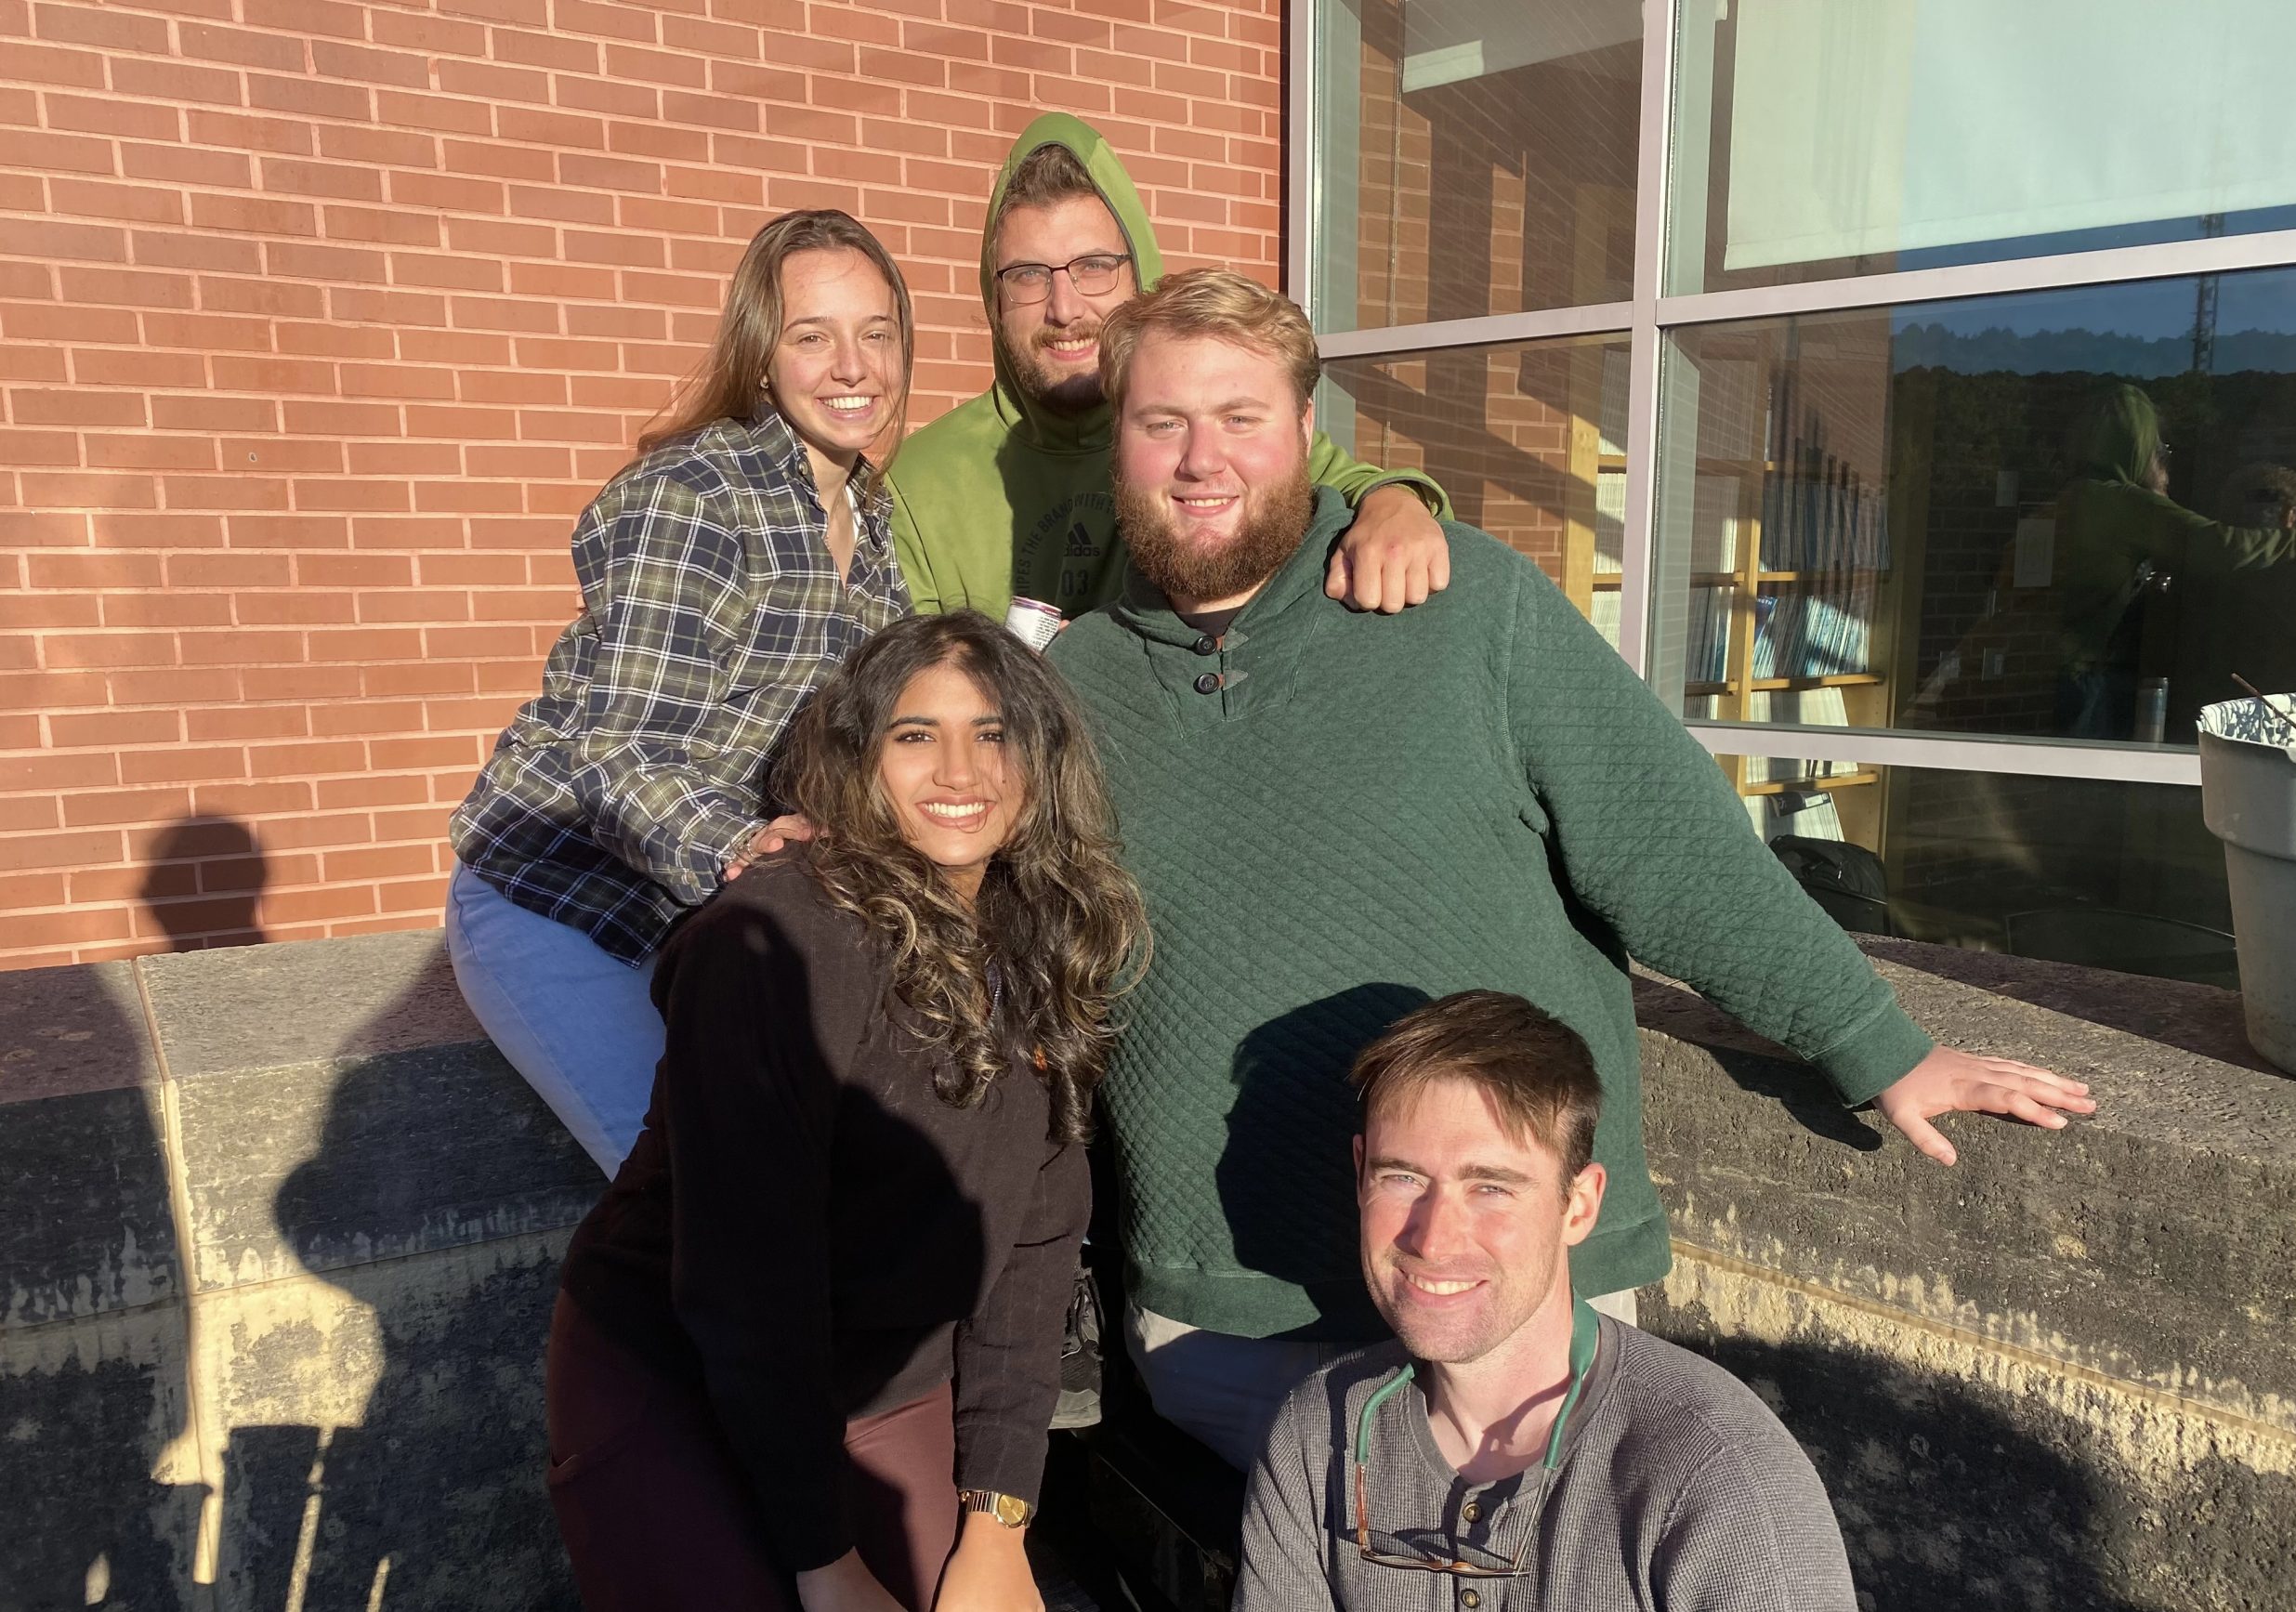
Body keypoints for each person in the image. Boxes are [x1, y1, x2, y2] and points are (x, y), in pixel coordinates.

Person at [1046, 268, 2095, 1471]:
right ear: (1115, 443)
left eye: (1242, 418)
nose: (1202, 459)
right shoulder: (1076, 685)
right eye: (1161, 422)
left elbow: (1671, 844)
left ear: (1306, 436)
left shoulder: (1463, 603)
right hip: (1225, 1319)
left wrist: (1879, 1041)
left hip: (1515, 1298)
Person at [542, 610, 1148, 1612]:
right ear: (858, 759)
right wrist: (826, 1562)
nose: (960, 770)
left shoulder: (1042, 934)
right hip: (688, 1371)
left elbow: (1035, 1246)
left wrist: (998, 1525)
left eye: (992, 733)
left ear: (1041, 762)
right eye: (915, 735)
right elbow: (747, 1284)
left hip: (888, 1380)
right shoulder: (784, 935)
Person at [446, 210, 913, 1174]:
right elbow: (618, 750)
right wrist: (743, 843)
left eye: (876, 332)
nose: (853, 366)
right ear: (759, 353)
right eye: (812, 335)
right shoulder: (696, 495)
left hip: (711, 910)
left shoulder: (868, 520)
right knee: (699, 1195)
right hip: (564, 898)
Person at [1236, 991, 1857, 1610]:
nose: (1433, 1238)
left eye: (1491, 1187)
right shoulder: (1318, 1433)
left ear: (1578, 1205)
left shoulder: (1720, 1479)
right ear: (1359, 1172)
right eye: (1403, 1177)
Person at [885, 111, 1452, 622]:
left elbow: (1346, 481)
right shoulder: (916, 486)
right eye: (1028, 275)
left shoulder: (1206, 434)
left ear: (1141, 275)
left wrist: (1395, 504)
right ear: (993, 299)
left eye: (1094, 265)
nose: (1064, 307)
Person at [2052, 384, 2296, 740]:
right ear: (2135, 447)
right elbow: (2217, 546)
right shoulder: (2119, 503)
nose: (2162, 460)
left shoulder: (2075, 498)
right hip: (2076, 677)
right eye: (2158, 450)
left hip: (2050, 674)